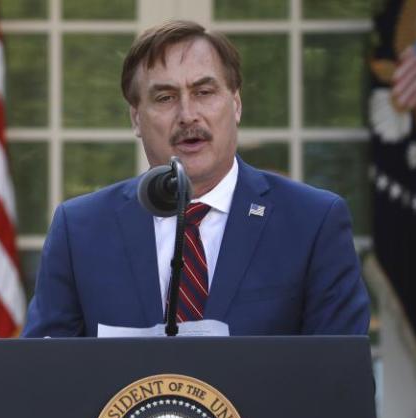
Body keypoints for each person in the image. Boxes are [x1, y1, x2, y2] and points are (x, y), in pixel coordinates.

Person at [22, 20, 369, 337]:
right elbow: (42, 380)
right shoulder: (80, 230)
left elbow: (341, 384)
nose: (188, 115)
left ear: (235, 104)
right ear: (135, 119)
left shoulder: (312, 222)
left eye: (204, 92)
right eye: (165, 97)